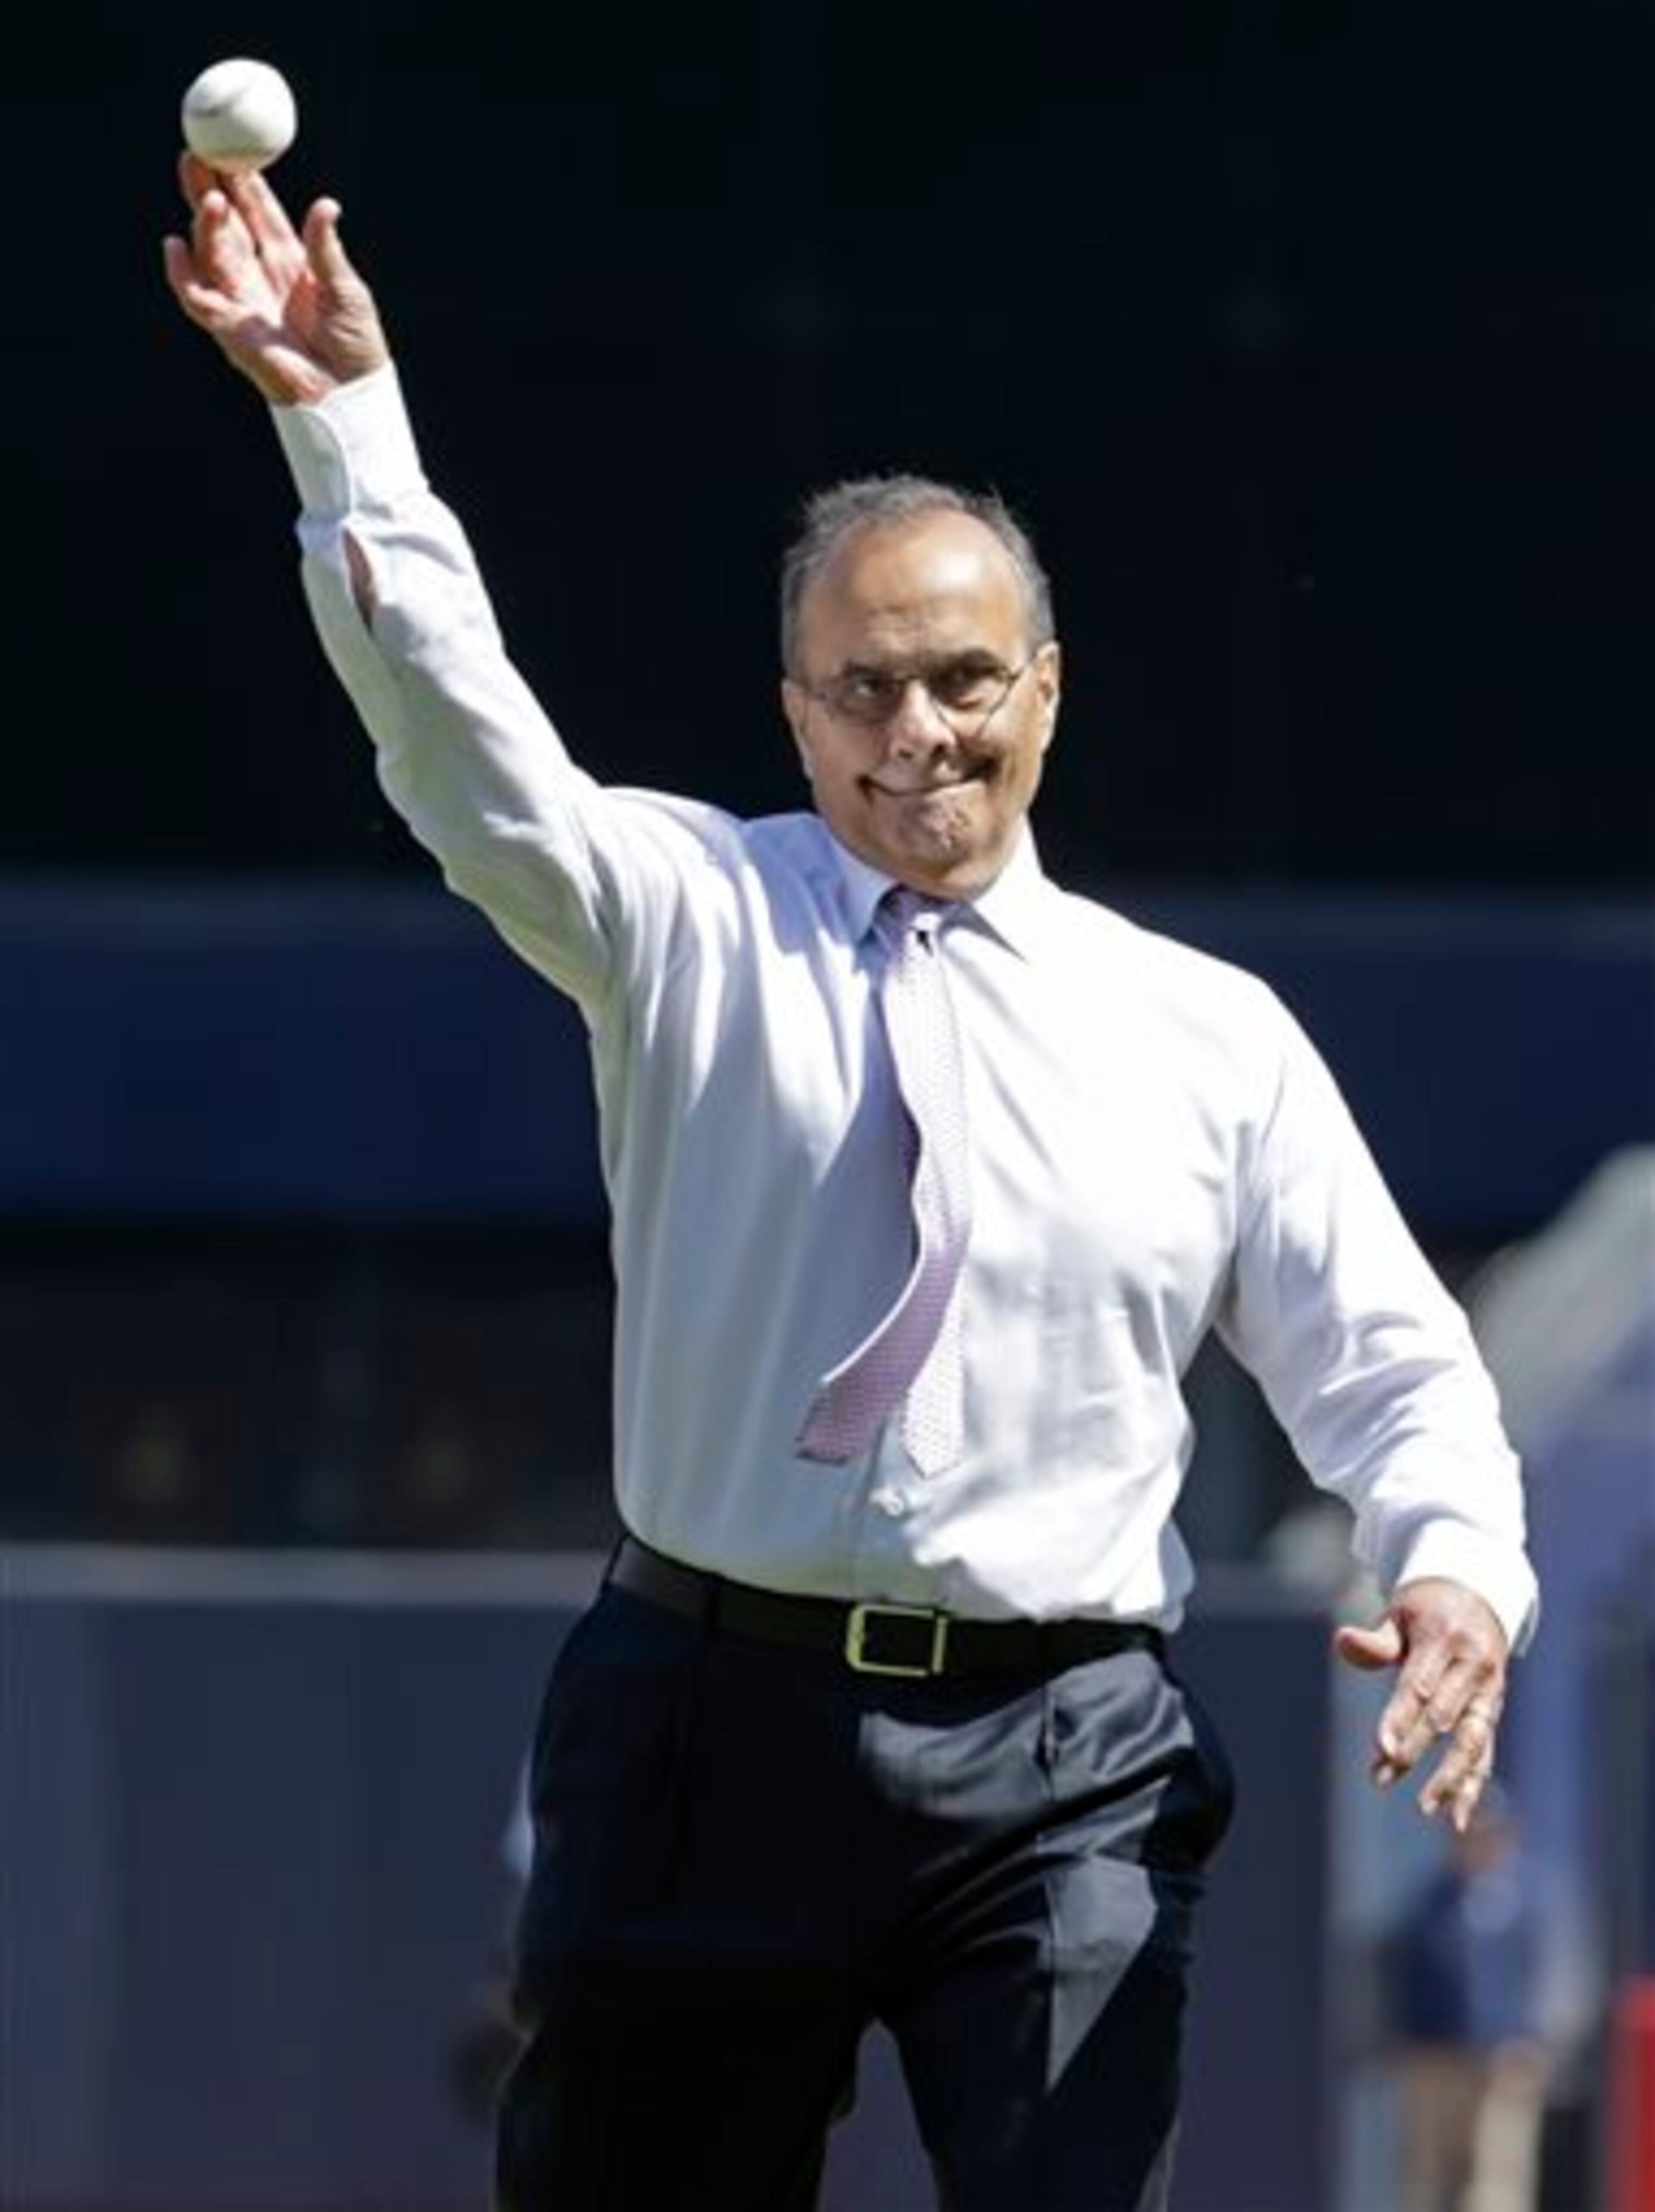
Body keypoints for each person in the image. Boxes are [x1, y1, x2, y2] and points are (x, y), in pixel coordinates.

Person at [164, 158, 1539, 2212]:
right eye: (864, 690)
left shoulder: (1206, 1033)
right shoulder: (682, 916)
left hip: (1070, 1751)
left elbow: (1393, 1366)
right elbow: (458, 747)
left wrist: (1455, 1568)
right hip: (711, 1723)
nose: (919, 732)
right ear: (794, 716)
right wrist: (339, 423)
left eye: (965, 680)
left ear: (1047, 691)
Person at [1383, 1790, 1556, 2212]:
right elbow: (1406, 1978)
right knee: (1427, 2170)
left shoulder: (1525, 1903)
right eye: (1469, 1832)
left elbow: (1538, 1977)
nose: (1479, 1842)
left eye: (1488, 1833)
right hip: (1436, 2057)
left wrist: (1531, 2039)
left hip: (1504, 2058)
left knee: (1499, 2172)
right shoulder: (1429, 1902)